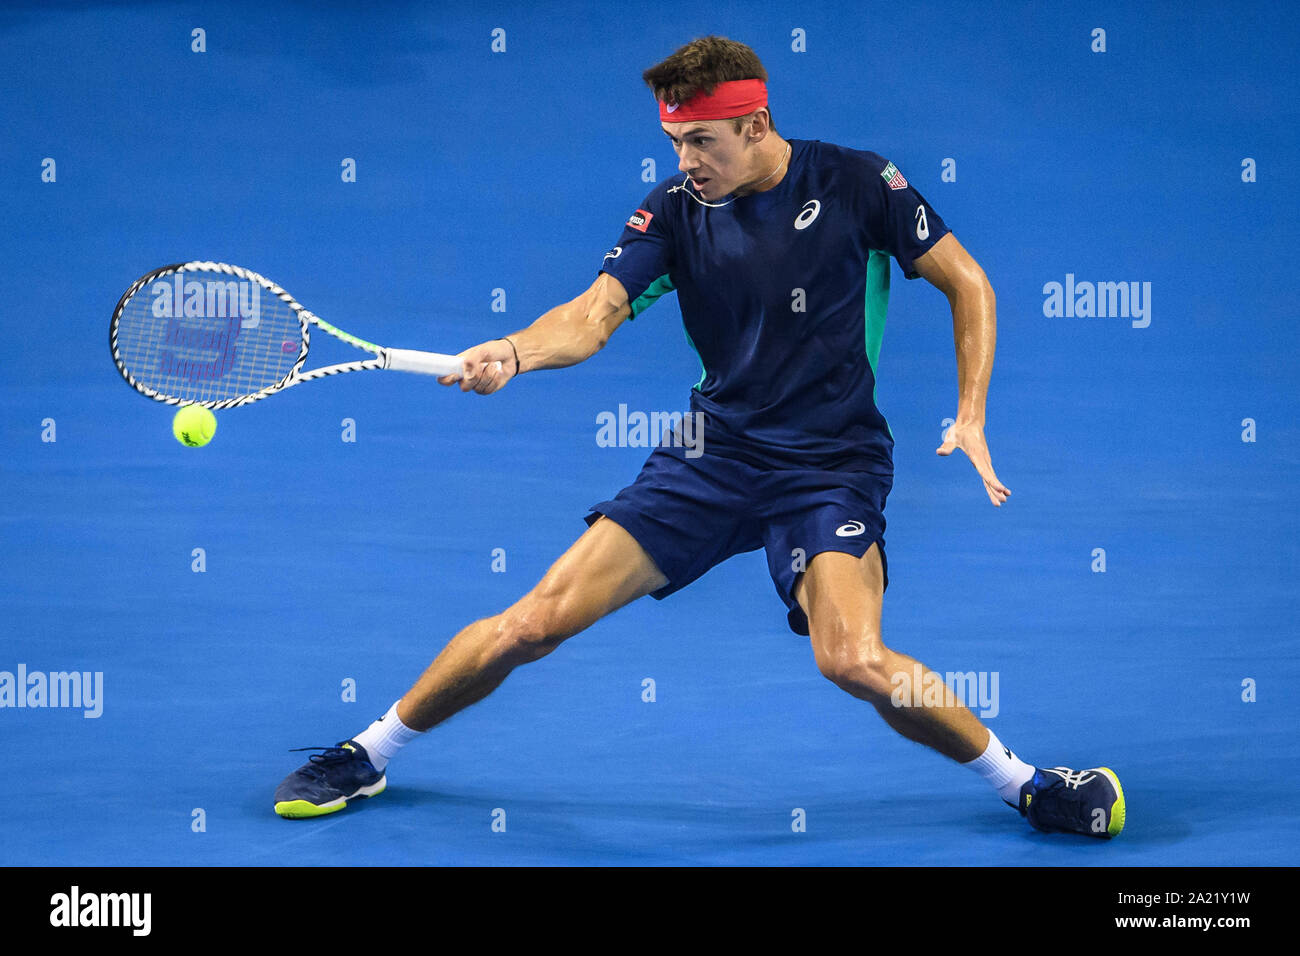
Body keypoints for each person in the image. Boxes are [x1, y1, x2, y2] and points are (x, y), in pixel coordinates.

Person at [273, 35, 1125, 839]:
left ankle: (1033, 786)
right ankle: (369, 753)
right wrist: (513, 351)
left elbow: (968, 282)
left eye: (701, 142)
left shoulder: (860, 181)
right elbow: (591, 314)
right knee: (531, 623)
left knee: (853, 659)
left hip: (830, 466)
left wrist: (971, 410)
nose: (685, 164)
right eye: (675, 143)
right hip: (712, 456)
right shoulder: (674, 213)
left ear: (756, 125)